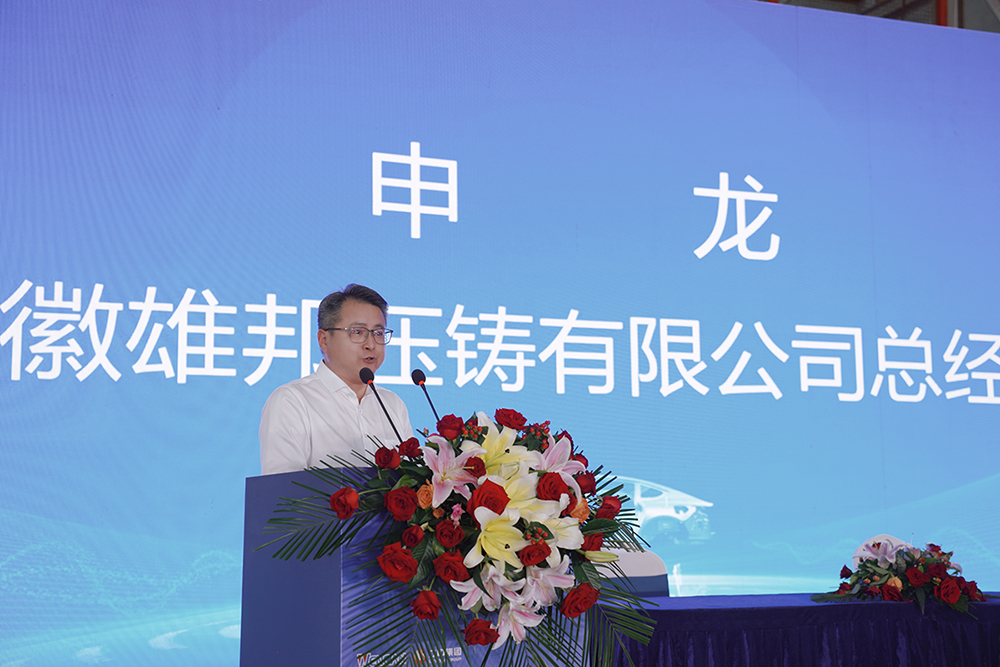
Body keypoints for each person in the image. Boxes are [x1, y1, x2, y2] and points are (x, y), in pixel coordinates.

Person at [259, 284, 413, 474]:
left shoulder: (392, 404)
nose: (371, 344)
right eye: (358, 332)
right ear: (324, 340)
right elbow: (282, 487)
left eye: (378, 333)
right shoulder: (292, 401)